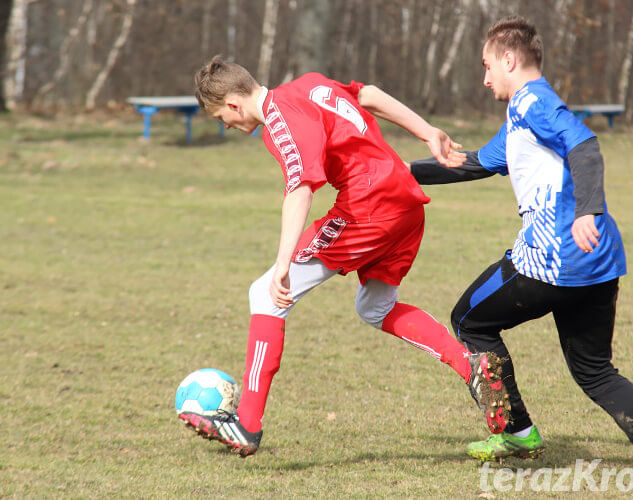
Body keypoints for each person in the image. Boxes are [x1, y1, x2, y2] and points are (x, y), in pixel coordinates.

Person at [178, 57, 508, 457]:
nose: (225, 126)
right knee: (375, 306)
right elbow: (367, 94)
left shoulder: (278, 118)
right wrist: (426, 132)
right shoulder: (309, 84)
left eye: (220, 117)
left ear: (233, 104)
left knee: (264, 295)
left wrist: (284, 262)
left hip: (369, 204)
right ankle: (470, 363)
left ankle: (246, 425)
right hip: (405, 202)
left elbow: (301, 186)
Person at [409, 17, 633, 480]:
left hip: (551, 261)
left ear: (509, 59)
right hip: (599, 264)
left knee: (467, 320)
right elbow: (476, 163)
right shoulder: (522, 115)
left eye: (486, 65)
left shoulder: (535, 102)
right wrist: (402, 171)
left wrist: (586, 210)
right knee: (595, 371)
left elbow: (586, 146)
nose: (484, 78)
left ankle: (517, 431)